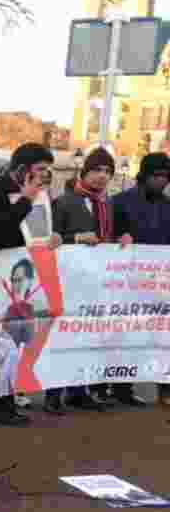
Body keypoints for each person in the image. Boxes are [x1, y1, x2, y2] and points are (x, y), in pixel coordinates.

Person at [0, 142, 61, 425]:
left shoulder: (41, 195)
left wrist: (52, 237)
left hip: (23, 274)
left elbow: (36, 232)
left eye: (47, 169)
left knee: (13, 342)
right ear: (22, 169)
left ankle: (6, 400)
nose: (44, 174)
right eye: (40, 168)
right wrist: (26, 200)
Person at [50, 147, 134, 412]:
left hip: (98, 281)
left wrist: (123, 237)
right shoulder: (64, 202)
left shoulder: (109, 204)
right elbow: (49, 239)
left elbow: (112, 235)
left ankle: (79, 391)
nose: (102, 176)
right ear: (85, 172)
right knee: (64, 336)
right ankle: (54, 394)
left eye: (108, 171)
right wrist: (76, 238)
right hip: (69, 279)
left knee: (88, 337)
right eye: (97, 170)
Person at [113, 151, 170, 406]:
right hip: (127, 281)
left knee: (162, 336)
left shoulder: (168, 205)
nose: (162, 180)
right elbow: (110, 236)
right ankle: (122, 388)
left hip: (161, 282)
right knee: (128, 336)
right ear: (144, 175)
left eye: (166, 176)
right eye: (157, 175)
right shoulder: (120, 202)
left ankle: (165, 388)